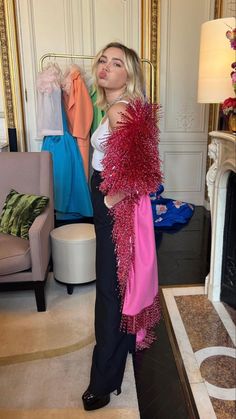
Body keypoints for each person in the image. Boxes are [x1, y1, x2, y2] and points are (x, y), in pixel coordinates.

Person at [82, 42, 162, 411]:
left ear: (129, 74)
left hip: (115, 206)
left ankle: (103, 381)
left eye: (117, 63)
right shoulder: (113, 107)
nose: (106, 67)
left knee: (109, 293)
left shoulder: (120, 110)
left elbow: (143, 171)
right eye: (103, 60)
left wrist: (109, 200)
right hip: (111, 202)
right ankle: (122, 350)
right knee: (119, 283)